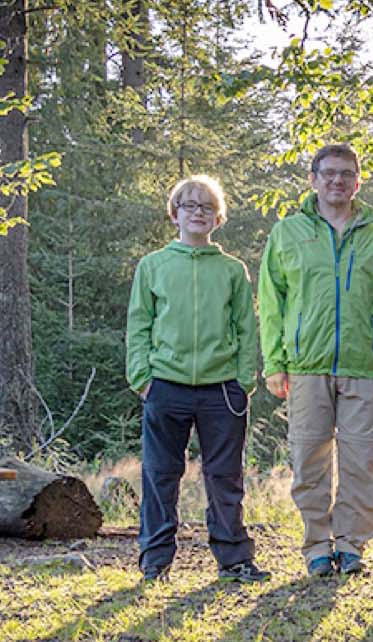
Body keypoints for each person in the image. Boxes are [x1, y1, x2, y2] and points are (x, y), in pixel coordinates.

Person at [259, 144, 373, 577]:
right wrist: (274, 362)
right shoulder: (287, 232)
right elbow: (271, 301)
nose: (338, 180)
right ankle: (317, 546)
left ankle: (352, 545)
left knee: (363, 461)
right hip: (305, 365)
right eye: (329, 173)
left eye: (346, 174)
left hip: (363, 365)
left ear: (358, 181)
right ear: (313, 179)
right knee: (308, 461)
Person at [126, 175, 267, 583]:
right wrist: (143, 379)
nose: (198, 213)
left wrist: (243, 381)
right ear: (175, 214)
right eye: (189, 205)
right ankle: (155, 561)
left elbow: (246, 329)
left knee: (225, 476)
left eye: (207, 207)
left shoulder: (232, 270)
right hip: (164, 385)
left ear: (218, 218)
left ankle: (234, 559)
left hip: (221, 389)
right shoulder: (153, 266)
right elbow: (138, 325)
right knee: (160, 475)